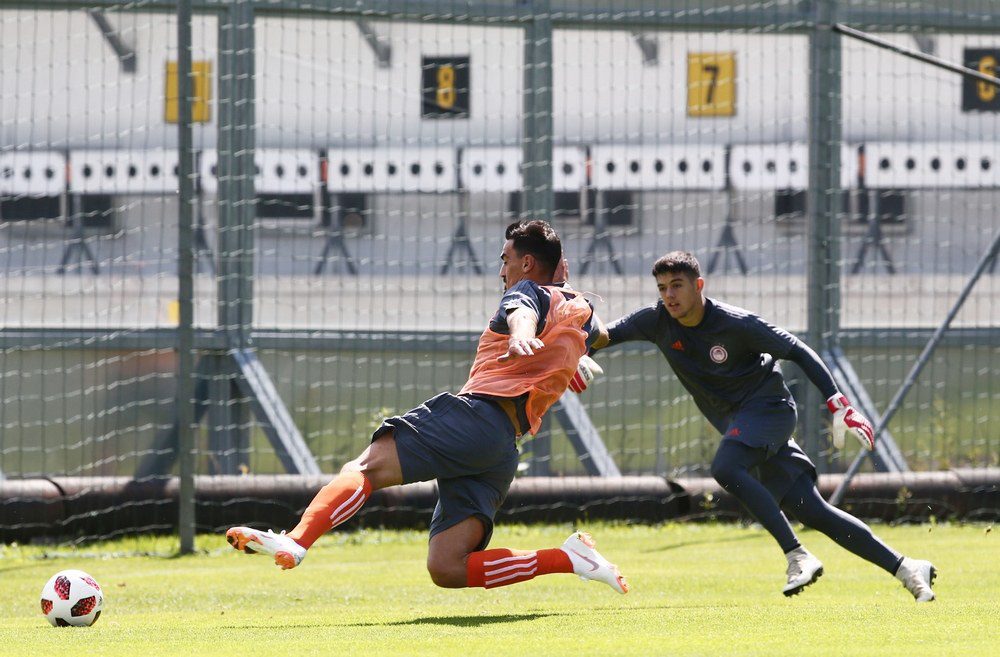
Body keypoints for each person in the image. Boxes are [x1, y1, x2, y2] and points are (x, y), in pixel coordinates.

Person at [226, 219, 628, 595]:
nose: (501, 271)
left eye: (505, 260)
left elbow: (521, 310)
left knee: (364, 468)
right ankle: (567, 558)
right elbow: (600, 334)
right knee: (448, 567)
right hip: (501, 447)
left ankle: (296, 541)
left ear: (526, 264)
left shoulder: (526, 291)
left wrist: (520, 334)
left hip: (476, 418)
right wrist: (575, 353)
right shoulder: (582, 310)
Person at [590, 250, 935, 601]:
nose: (669, 295)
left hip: (770, 410)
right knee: (811, 510)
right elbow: (603, 335)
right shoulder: (656, 320)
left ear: (699, 285)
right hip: (744, 426)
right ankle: (906, 567)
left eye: (677, 285)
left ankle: (797, 554)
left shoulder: (737, 323)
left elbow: (798, 351)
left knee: (725, 467)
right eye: (662, 288)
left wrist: (838, 402)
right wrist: (573, 352)